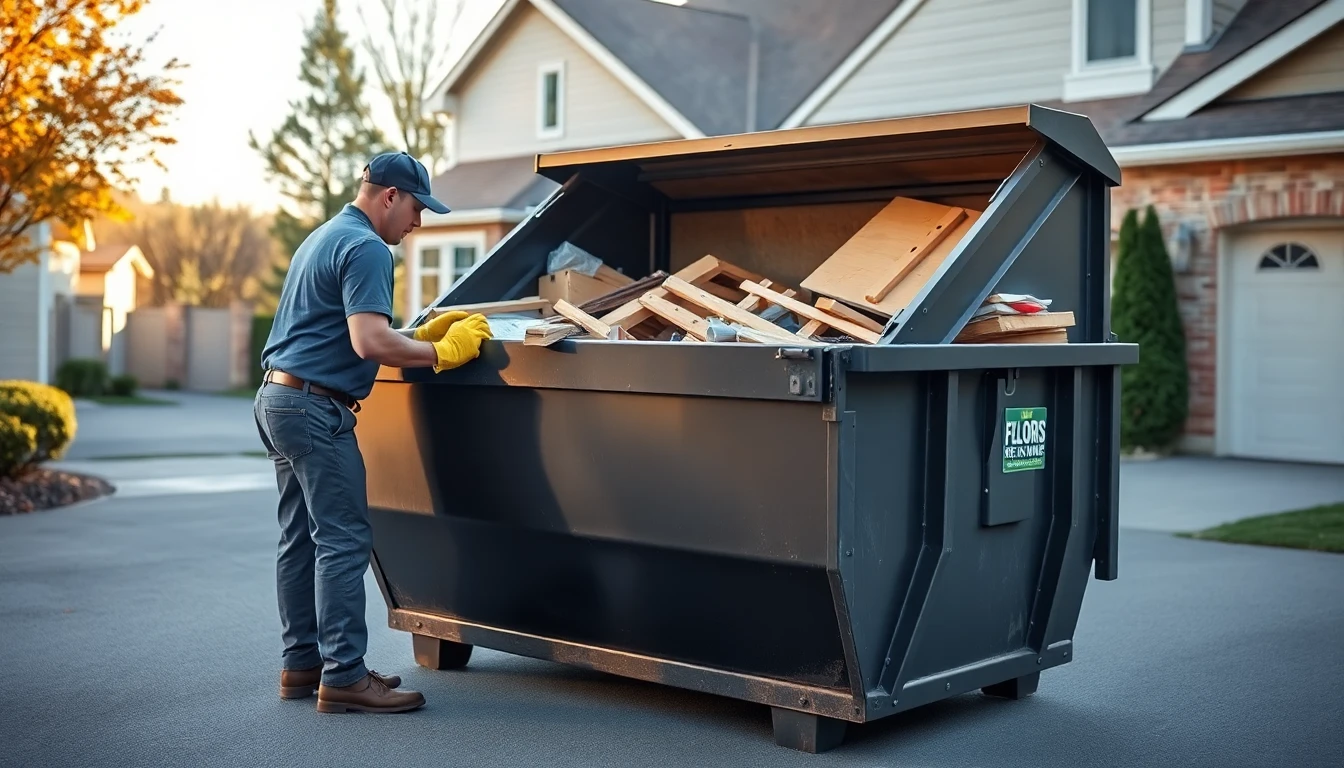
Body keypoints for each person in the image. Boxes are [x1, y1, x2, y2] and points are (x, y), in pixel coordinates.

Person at [253, 151, 492, 714]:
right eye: (415, 208)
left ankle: (303, 665)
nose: (418, 223)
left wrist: (413, 330)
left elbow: (346, 329)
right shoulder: (366, 247)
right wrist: (440, 352)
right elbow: (369, 343)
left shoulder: (324, 236)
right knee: (342, 541)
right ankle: (343, 677)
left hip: (278, 398)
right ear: (389, 196)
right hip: (316, 409)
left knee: (299, 541)